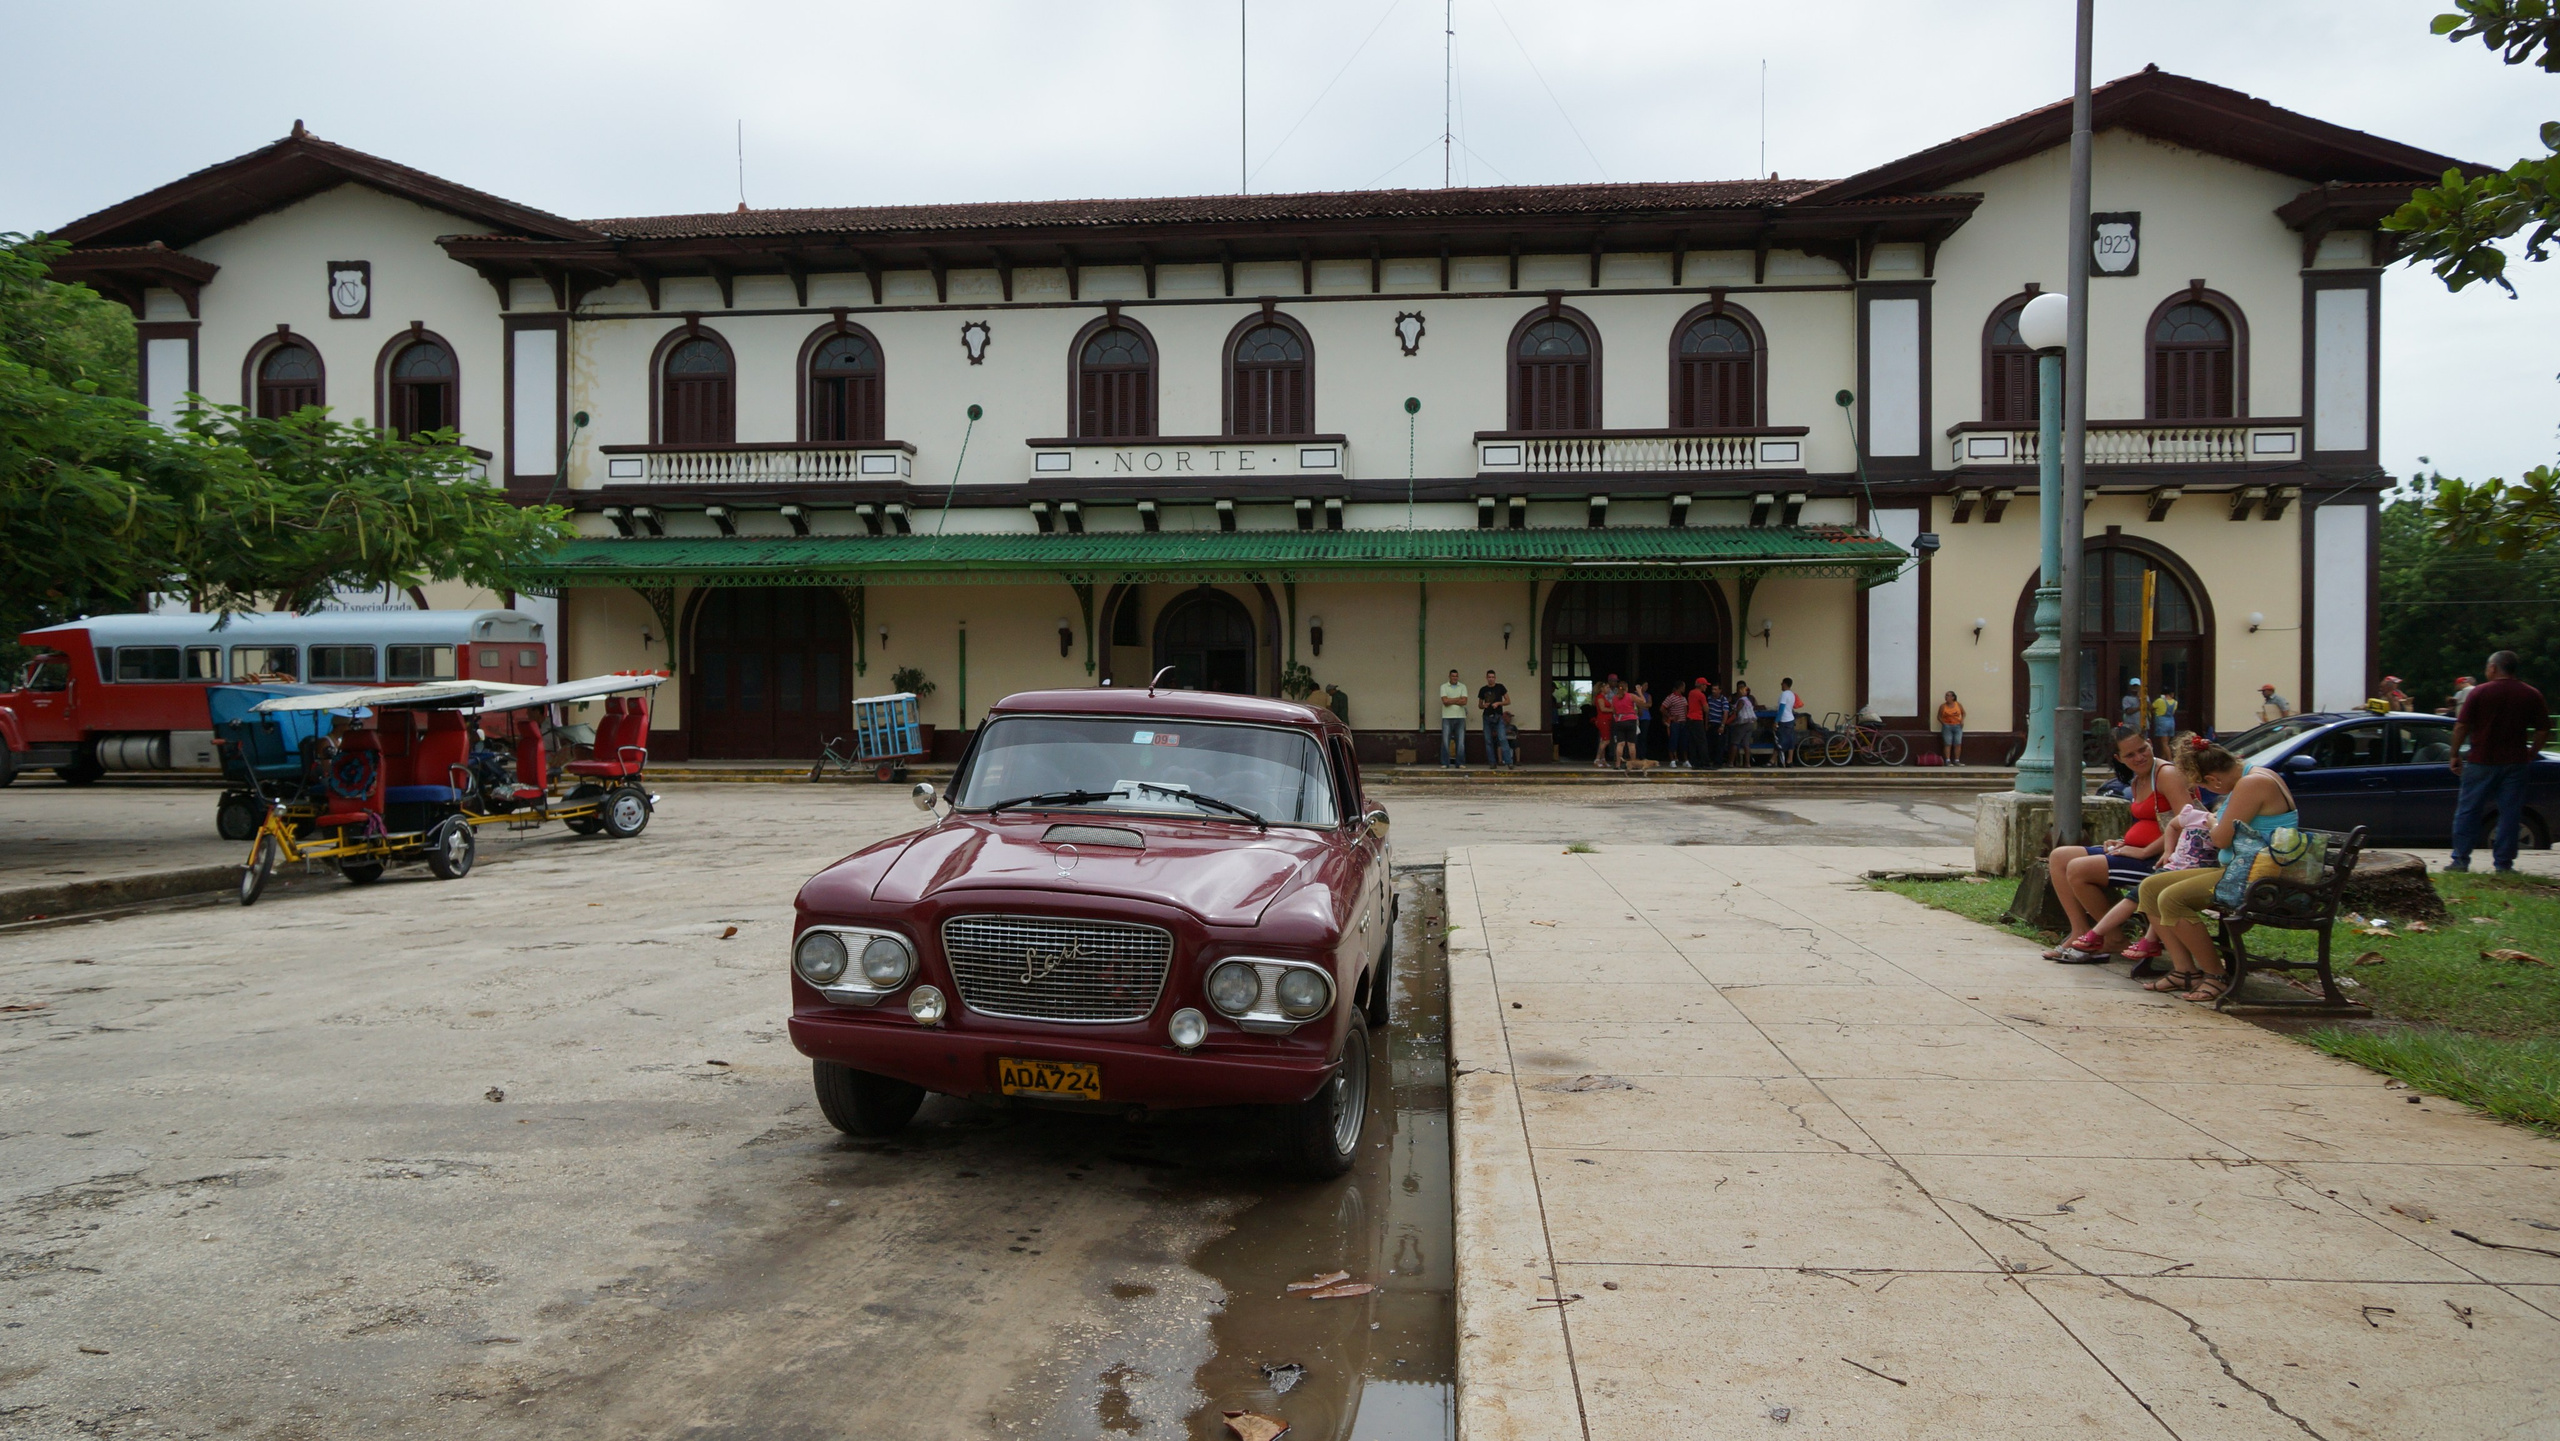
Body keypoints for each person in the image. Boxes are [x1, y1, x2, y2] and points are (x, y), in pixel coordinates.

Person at [2134, 735, 2300, 1004]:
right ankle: (2184, 970)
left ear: (2214, 780)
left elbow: (2221, 839)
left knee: (2172, 898)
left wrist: (2212, 821)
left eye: (2202, 785)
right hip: (2241, 870)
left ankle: (2215, 975)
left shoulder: (2252, 783)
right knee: (2150, 888)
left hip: (2258, 878)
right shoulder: (2252, 775)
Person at [2043, 727, 2191, 962]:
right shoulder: (2137, 780)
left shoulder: (2166, 774)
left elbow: (2187, 821)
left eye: (2143, 749)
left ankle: (2112, 937)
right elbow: (2149, 822)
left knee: (2079, 868)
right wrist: (2124, 842)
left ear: (2150, 743)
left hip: (2160, 860)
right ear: (2119, 758)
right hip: (2136, 852)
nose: (2139, 757)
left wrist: (2144, 850)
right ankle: (2080, 930)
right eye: (2130, 755)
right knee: (2060, 856)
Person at [2449, 650, 2550, 874]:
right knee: (2510, 814)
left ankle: (2460, 860)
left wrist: (2454, 753)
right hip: (2515, 762)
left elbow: (2461, 726)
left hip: (2481, 760)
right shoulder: (2531, 694)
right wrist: (2532, 751)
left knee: (2468, 810)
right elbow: (2543, 729)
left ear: (2493, 668)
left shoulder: (2479, 692)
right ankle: (2504, 864)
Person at [1476, 669, 1514, 770]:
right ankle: (1492, 763)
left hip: (1498, 716)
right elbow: (1479, 705)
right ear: (1486, 678)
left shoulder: (1500, 687)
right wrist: (1483, 705)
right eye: (1489, 677)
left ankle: (1509, 762)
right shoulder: (1483, 689)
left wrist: (1498, 703)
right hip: (1486, 717)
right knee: (1488, 740)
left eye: (1492, 677)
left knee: (1502, 738)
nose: (1491, 679)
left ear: (1495, 678)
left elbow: (1508, 701)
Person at [1438, 669, 1469, 769]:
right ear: (1449, 677)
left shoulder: (1463, 686)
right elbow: (1445, 701)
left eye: (1456, 676)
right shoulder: (1443, 686)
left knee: (1460, 742)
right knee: (1445, 741)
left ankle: (1460, 763)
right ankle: (1445, 763)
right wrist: (1458, 699)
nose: (1455, 678)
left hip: (1460, 717)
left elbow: (1464, 701)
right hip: (1447, 717)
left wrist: (1450, 700)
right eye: (1453, 676)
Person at [1610, 680, 1642, 768]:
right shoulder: (1631, 696)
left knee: (1620, 744)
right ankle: (1633, 764)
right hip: (1631, 721)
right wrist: (1639, 692)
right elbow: (1643, 701)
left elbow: (1613, 710)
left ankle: (1617, 764)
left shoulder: (1614, 698)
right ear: (1626, 688)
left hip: (1620, 721)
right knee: (1631, 744)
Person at [1726, 682, 1757, 768]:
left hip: (1742, 724)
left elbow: (1736, 712)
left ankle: (1731, 762)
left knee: (1735, 742)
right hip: (1750, 723)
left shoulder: (1741, 701)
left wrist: (1729, 721)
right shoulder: (1748, 700)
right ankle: (1747, 763)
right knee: (1746, 744)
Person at [1700, 682, 1729, 770]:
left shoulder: (1723, 699)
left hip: (1718, 724)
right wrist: (1706, 724)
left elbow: (1725, 713)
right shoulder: (1709, 698)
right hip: (1710, 724)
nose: (1713, 691)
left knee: (1719, 744)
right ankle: (1709, 761)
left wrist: (1722, 725)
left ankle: (1718, 762)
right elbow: (1707, 712)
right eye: (1712, 689)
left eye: (1715, 689)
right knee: (1710, 744)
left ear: (1720, 690)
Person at [1772, 678, 1800, 767]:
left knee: (1779, 741)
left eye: (1782, 683)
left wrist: (1776, 721)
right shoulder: (1792, 694)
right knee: (1790, 740)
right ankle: (1789, 760)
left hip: (1784, 720)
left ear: (1785, 684)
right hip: (1790, 719)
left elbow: (1781, 708)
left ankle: (1772, 760)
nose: (1781, 684)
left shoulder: (1784, 694)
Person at [1660, 682, 1689, 769]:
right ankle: (1672, 760)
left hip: (1683, 723)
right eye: (1683, 687)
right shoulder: (1671, 697)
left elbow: (1685, 710)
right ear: (1680, 687)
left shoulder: (1683, 698)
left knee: (1684, 742)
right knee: (1673, 741)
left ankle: (1685, 760)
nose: (1684, 688)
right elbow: (1662, 708)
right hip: (1675, 723)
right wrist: (1670, 717)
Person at [1685, 677, 1711, 768]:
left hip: (1690, 719)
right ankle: (1705, 763)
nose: (1706, 687)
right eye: (1705, 685)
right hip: (1697, 719)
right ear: (1701, 685)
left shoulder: (1691, 693)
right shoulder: (1701, 695)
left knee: (1692, 742)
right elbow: (1706, 709)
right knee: (1702, 742)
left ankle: (1694, 763)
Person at [1937, 691, 1966, 766]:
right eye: (1946, 695)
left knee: (1958, 743)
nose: (1946, 697)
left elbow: (1963, 713)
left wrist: (1962, 721)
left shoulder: (1958, 705)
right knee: (1948, 743)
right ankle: (1947, 760)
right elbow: (1939, 716)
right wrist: (1943, 723)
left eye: (1948, 695)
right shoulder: (1943, 706)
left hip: (1957, 726)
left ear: (1953, 697)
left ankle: (1957, 760)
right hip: (1947, 726)